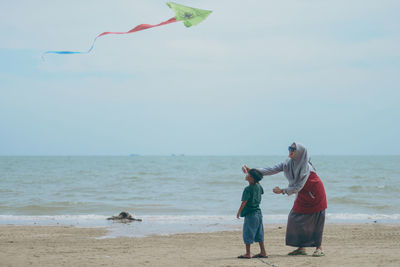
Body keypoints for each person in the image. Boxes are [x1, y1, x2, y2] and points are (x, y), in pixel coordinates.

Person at [242, 142, 327, 257]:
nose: (290, 150)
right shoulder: (287, 163)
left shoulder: (306, 167)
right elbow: (271, 169)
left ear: (300, 152)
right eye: (290, 148)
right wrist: (253, 171)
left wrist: (282, 190)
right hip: (301, 192)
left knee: (316, 219)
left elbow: (298, 186)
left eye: (293, 149)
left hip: (315, 193)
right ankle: (301, 248)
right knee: (295, 217)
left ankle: (319, 247)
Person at [236, 168, 268, 259]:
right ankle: (263, 252)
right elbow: (260, 188)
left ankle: (248, 253)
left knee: (248, 233)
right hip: (258, 214)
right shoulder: (258, 187)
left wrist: (239, 212)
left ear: (253, 179)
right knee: (259, 233)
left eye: (249, 175)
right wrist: (248, 170)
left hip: (250, 214)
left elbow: (244, 202)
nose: (246, 176)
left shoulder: (247, 189)